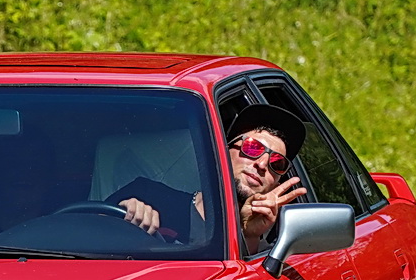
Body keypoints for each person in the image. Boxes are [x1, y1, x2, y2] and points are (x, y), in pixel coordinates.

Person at [105, 103, 308, 253]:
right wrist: (121, 214)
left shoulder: (278, 245)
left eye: (277, 163)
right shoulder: (147, 194)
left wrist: (248, 236)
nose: (262, 164)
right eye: (252, 148)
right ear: (223, 151)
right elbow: (88, 228)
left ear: (277, 182)